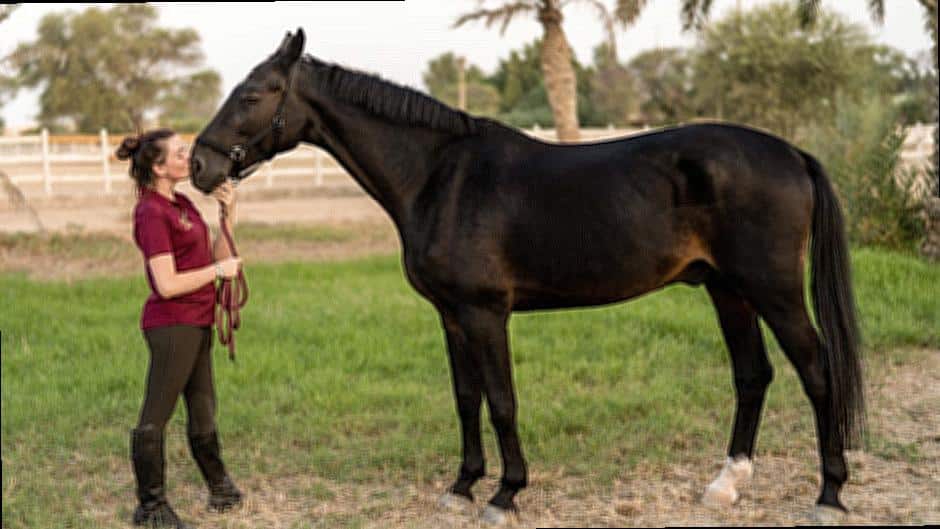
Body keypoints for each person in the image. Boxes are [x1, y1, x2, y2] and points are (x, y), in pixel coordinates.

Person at [116, 129, 243, 528]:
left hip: (198, 321)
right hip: (172, 326)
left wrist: (227, 216)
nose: (190, 158)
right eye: (181, 153)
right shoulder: (151, 212)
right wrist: (217, 271)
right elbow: (167, 284)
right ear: (158, 167)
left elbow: (219, 256)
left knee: (203, 410)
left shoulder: (183, 203)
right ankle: (150, 508)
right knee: (156, 415)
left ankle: (220, 488)